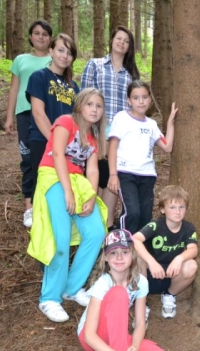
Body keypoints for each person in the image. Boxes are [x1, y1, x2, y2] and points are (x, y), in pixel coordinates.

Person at [27, 88, 107, 323]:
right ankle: (49, 298)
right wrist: (67, 192)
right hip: (53, 177)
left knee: (96, 232)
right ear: (79, 105)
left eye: (99, 106)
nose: (94, 109)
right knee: (59, 239)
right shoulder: (65, 122)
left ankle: (71, 288)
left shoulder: (93, 137)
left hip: (77, 182)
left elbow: (92, 170)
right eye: (90, 104)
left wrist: (91, 197)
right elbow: (57, 155)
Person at [72, 229, 168, 351]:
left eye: (125, 252)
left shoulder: (141, 282)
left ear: (133, 254)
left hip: (116, 336)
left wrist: (135, 347)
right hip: (93, 338)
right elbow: (89, 335)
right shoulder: (103, 284)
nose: (119, 257)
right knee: (119, 293)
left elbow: (140, 323)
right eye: (113, 253)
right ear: (106, 257)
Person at [81, 26, 140, 231]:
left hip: (120, 134)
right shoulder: (95, 65)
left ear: (129, 47)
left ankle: (107, 225)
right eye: (119, 38)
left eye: (126, 41)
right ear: (112, 40)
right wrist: (87, 130)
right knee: (95, 173)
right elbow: (84, 97)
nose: (122, 43)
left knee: (113, 175)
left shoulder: (130, 74)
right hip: (96, 129)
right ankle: (91, 224)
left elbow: (133, 106)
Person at [107, 81, 178, 234]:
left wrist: (170, 122)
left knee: (145, 216)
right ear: (129, 100)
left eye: (144, 97)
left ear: (150, 99)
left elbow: (167, 147)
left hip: (147, 175)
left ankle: (140, 246)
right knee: (132, 212)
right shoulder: (121, 117)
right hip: (126, 173)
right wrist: (113, 174)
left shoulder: (151, 124)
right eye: (136, 98)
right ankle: (123, 242)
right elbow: (112, 146)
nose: (141, 101)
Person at [4, 20, 53, 227]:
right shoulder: (20, 60)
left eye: (45, 34)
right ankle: (29, 207)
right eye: (37, 33)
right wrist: (9, 117)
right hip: (25, 114)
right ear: (30, 37)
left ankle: (49, 204)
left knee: (48, 159)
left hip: (47, 114)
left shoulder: (54, 59)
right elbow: (14, 89)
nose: (41, 37)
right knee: (28, 160)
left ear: (50, 38)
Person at [25, 34, 79, 209]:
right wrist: (55, 142)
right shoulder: (39, 77)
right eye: (60, 50)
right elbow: (38, 113)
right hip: (43, 140)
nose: (64, 56)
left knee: (65, 183)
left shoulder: (74, 87)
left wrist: (68, 145)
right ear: (51, 51)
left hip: (68, 146)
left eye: (69, 53)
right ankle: (35, 216)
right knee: (41, 183)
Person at [133, 185, 198, 319]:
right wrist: (151, 262)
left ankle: (169, 295)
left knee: (192, 265)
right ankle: (141, 301)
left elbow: (193, 249)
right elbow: (135, 239)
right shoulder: (155, 225)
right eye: (172, 207)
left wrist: (179, 259)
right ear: (162, 209)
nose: (178, 212)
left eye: (181, 207)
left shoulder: (188, 228)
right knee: (138, 258)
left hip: (172, 275)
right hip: (149, 274)